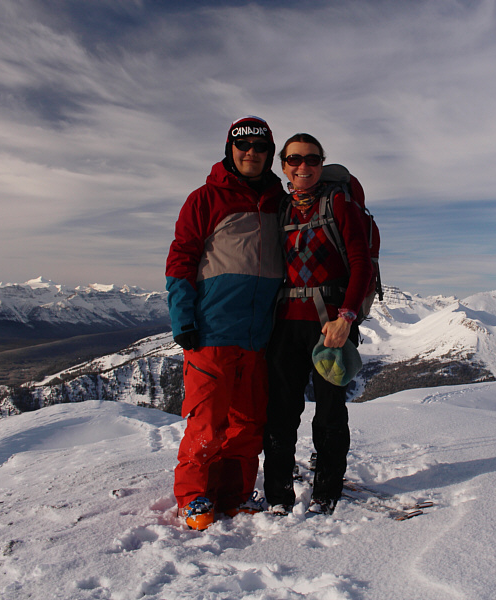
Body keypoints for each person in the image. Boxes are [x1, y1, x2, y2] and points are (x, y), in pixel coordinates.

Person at [165, 115, 284, 530]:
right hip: (212, 330)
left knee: (248, 423)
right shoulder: (205, 198)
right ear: (230, 149)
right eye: (243, 145)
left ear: (270, 154)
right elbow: (181, 258)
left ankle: (234, 494)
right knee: (207, 420)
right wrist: (183, 317)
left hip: (257, 335)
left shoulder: (277, 202)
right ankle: (193, 496)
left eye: (260, 147)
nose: (251, 152)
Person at [263, 133, 373, 516]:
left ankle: (327, 489)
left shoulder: (338, 203)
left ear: (321, 163)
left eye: (311, 159)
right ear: (284, 165)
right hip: (286, 323)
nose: (303, 166)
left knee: (329, 411)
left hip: (331, 324)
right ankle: (277, 493)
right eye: (294, 159)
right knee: (280, 410)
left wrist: (347, 317)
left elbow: (361, 263)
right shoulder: (281, 208)